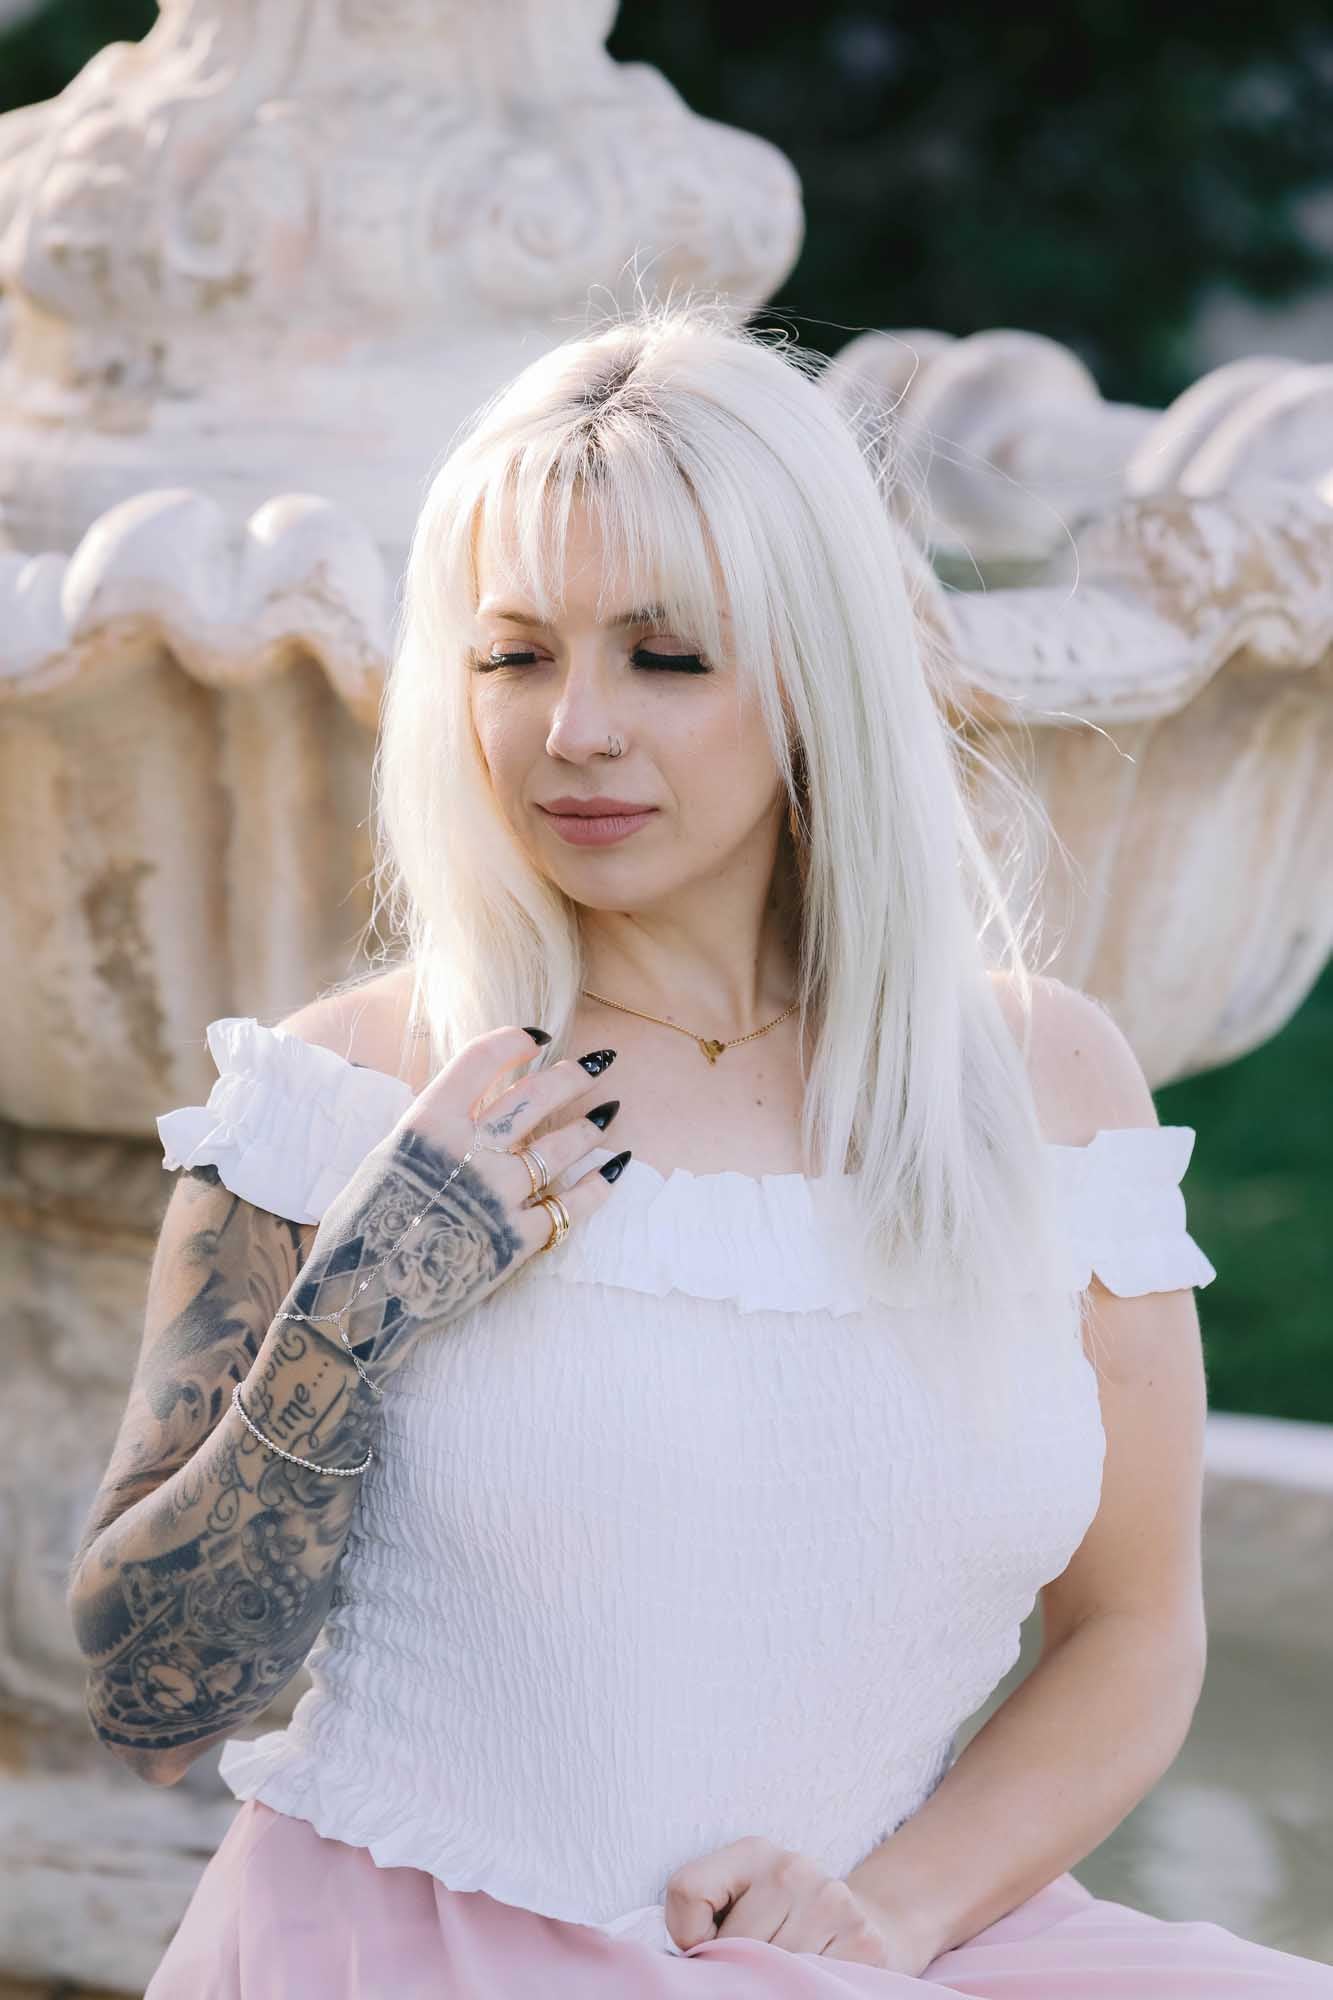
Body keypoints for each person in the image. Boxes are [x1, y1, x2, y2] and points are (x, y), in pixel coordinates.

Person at [67, 295, 1331, 1995]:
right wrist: (350, 1315)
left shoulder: (1043, 1086)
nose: (573, 728)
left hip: (894, 1949)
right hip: (415, 1947)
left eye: (665, 656)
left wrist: (889, 1910)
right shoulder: (347, 1091)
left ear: (817, 670)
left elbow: (1131, 1627)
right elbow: (154, 1703)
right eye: (515, 654)